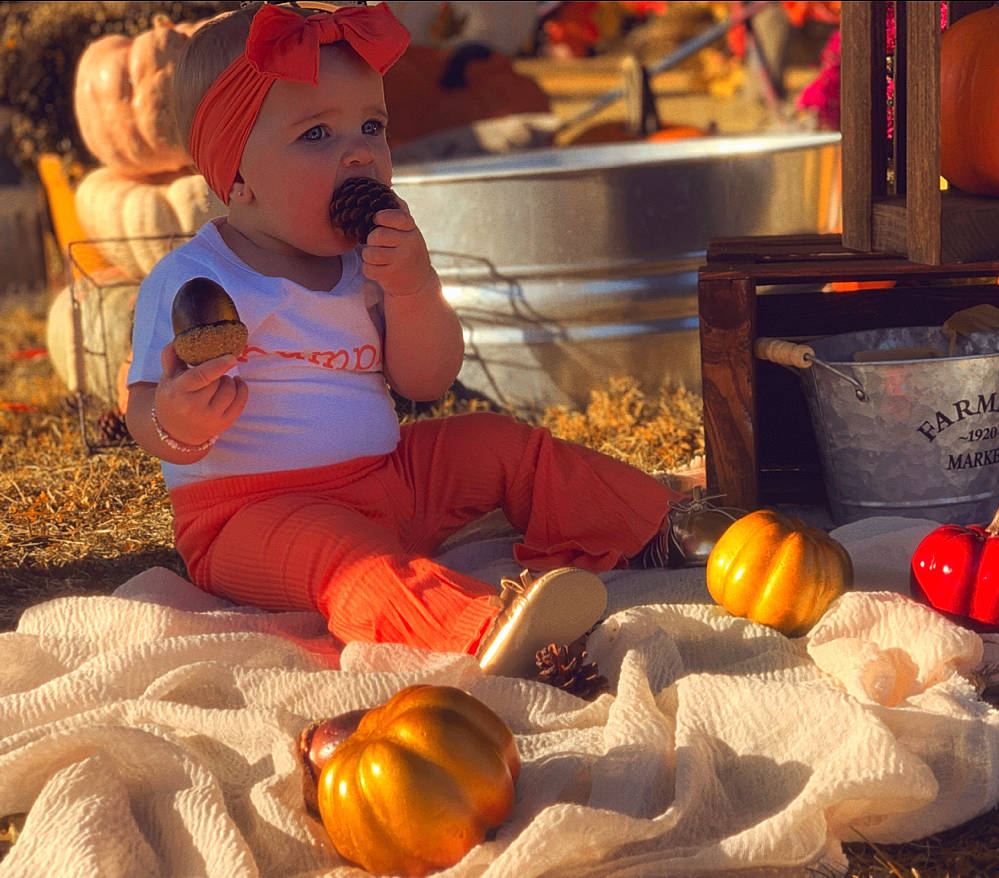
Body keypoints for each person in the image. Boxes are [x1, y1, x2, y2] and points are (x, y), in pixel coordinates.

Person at [125, 1, 739, 681]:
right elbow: (145, 413)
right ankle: (488, 629)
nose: (359, 151)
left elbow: (425, 382)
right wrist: (177, 420)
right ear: (234, 176)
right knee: (350, 566)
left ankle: (657, 525)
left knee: (502, 444)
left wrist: (414, 290)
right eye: (317, 134)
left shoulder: (369, 261)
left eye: (371, 126)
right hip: (252, 516)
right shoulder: (195, 279)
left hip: (388, 480)